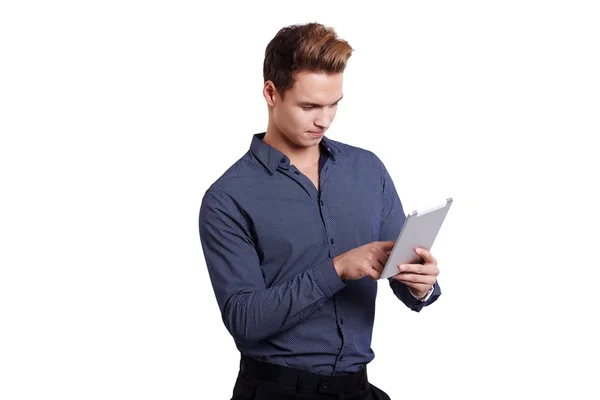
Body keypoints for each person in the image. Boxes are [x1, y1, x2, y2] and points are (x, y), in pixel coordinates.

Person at [199, 22, 441, 400]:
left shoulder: (367, 169)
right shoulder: (228, 197)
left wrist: (421, 285)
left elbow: (401, 268)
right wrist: (338, 268)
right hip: (273, 391)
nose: (323, 120)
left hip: (356, 388)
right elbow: (244, 320)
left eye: (334, 104)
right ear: (271, 93)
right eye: (309, 106)